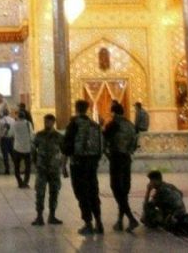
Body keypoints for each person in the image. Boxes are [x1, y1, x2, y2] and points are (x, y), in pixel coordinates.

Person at [61, 98, 105, 234]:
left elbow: (67, 146)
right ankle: (99, 221)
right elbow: (101, 146)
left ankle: (88, 223)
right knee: (93, 192)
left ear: (76, 108)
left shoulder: (74, 124)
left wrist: (63, 165)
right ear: (87, 109)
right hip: (91, 164)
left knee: (81, 193)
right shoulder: (94, 125)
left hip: (78, 163)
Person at [104, 101, 140, 230]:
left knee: (116, 188)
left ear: (113, 112)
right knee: (123, 191)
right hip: (127, 159)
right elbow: (135, 144)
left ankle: (131, 218)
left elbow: (103, 140)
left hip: (116, 158)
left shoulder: (113, 124)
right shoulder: (130, 125)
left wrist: (107, 154)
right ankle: (120, 221)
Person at [30, 113, 65, 226]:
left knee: (54, 192)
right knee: (40, 192)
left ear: (53, 122)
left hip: (54, 169)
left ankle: (52, 215)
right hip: (42, 168)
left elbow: (64, 151)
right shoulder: (39, 135)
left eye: (49, 121)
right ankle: (39, 216)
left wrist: (63, 165)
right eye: (45, 121)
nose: (47, 123)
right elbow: (33, 149)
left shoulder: (58, 136)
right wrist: (35, 161)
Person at [9, 106, 34, 188]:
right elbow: (32, 135)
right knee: (28, 167)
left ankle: (20, 182)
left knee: (16, 167)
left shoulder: (14, 124)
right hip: (27, 149)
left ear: (18, 116)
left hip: (17, 148)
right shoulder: (28, 123)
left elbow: (10, 134)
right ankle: (25, 182)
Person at [0, 109, 15, 174]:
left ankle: (7, 169)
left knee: (5, 155)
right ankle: (17, 168)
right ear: (8, 113)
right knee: (13, 154)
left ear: (3, 113)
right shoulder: (13, 120)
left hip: (4, 139)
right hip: (11, 139)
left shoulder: (1, 121)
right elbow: (14, 130)